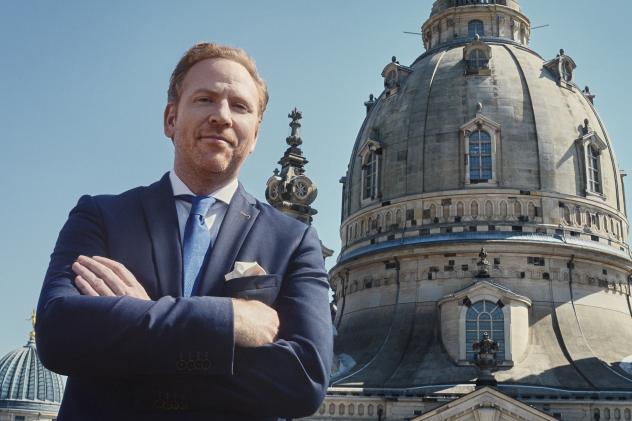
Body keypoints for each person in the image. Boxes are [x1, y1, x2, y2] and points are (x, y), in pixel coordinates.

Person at [36, 42, 333, 421]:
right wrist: (229, 320)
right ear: (170, 119)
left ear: (255, 135)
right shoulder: (100, 216)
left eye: (240, 106)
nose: (221, 116)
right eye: (205, 99)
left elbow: (303, 380)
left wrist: (140, 320)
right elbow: (60, 335)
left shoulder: (293, 241)